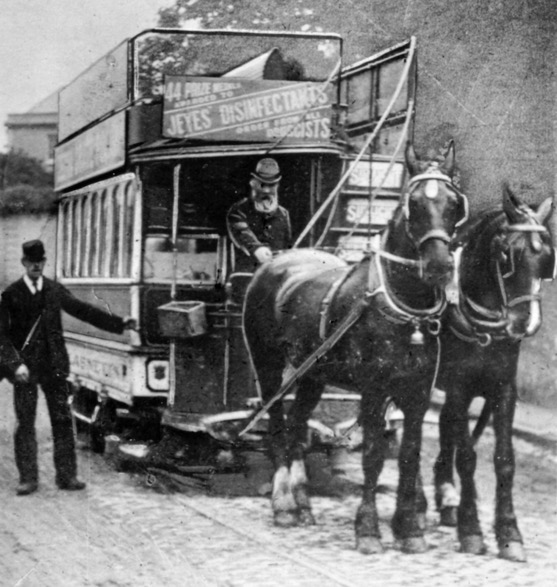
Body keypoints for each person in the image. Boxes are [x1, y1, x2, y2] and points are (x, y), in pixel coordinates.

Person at [0, 240, 136, 496]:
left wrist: (120, 324)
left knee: (62, 420)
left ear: (44, 262)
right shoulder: (11, 294)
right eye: (31, 262)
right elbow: (2, 336)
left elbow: (83, 311)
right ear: (24, 263)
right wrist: (15, 364)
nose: (36, 266)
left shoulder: (54, 290)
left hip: (54, 366)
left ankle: (67, 476)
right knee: (25, 423)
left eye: (40, 262)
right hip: (25, 369)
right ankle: (28, 479)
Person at [226, 158, 292, 274]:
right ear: (253, 184)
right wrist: (257, 248)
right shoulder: (238, 210)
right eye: (262, 185)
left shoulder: (283, 214)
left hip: (276, 276)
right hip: (247, 277)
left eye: (271, 185)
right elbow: (242, 232)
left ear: (277, 186)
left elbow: (287, 246)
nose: (266, 191)